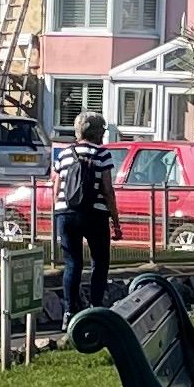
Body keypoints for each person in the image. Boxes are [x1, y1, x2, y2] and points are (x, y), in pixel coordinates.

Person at [48, 112, 115, 319]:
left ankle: (69, 310)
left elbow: (56, 186)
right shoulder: (102, 155)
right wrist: (115, 219)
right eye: (102, 130)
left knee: (72, 262)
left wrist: (58, 212)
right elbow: (107, 190)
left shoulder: (64, 154)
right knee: (100, 260)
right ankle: (96, 306)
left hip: (66, 213)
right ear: (97, 132)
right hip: (95, 214)